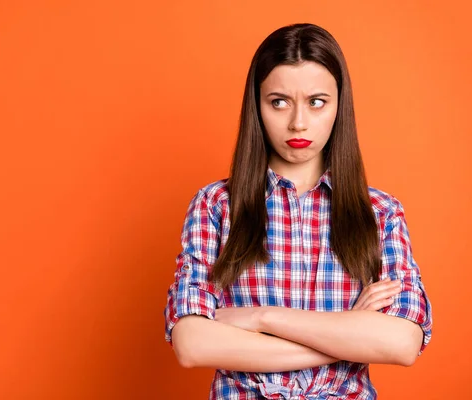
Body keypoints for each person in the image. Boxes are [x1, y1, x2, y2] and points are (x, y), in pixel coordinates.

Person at [163, 23, 433, 399]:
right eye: (279, 102)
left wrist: (263, 318)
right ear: (256, 106)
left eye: (316, 101)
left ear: (340, 106)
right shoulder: (216, 206)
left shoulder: (381, 214)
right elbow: (192, 344)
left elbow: (402, 343)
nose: (298, 122)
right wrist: (349, 333)